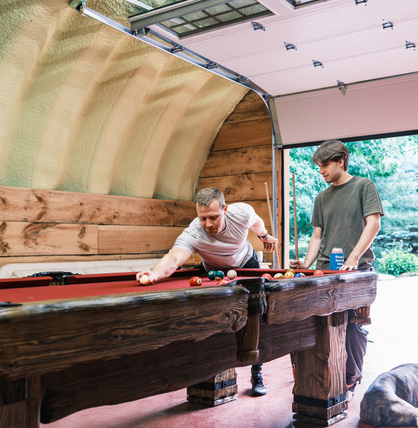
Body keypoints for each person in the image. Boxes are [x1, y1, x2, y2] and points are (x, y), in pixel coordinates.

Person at [137, 187, 278, 396]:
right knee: (214, 318)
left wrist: (265, 236)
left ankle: (257, 372)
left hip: (246, 263)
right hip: (212, 272)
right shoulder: (194, 231)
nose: (208, 224)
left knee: (256, 315)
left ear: (225, 209)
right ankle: (212, 371)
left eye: (213, 217)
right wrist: (154, 274)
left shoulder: (241, 213)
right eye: (203, 218)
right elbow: (174, 258)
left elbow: (256, 222)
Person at [289, 139, 383, 402]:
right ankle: (316, 377)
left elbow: (373, 224)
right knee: (316, 324)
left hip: (356, 271)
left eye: (326, 164)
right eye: (319, 166)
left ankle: (350, 380)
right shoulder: (321, 197)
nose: (321, 171)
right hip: (323, 271)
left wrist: (353, 256)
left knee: (353, 325)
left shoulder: (364, 186)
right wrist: (306, 264)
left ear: (341, 160)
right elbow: (317, 236)